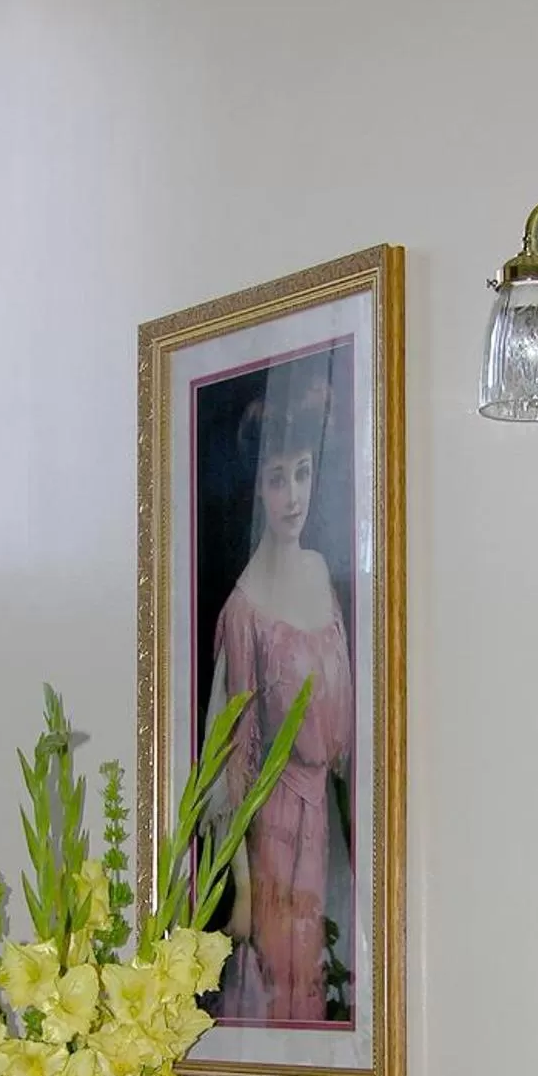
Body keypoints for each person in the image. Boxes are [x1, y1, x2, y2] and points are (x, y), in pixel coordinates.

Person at [206, 358, 355, 1024]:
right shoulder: (244, 611)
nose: (293, 496)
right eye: (276, 478)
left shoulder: (322, 573)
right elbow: (232, 762)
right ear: (258, 489)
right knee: (277, 989)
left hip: (325, 833)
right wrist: (241, 890)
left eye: (303, 473)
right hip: (272, 838)